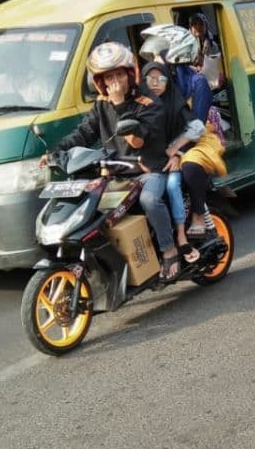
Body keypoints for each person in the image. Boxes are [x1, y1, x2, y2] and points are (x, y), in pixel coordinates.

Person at [47, 43, 184, 281]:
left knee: (149, 200)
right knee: (89, 208)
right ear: (100, 82)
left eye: (119, 75)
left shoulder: (148, 102)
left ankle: (169, 250)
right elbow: (84, 132)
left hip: (148, 171)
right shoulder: (102, 103)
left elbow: (137, 141)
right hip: (115, 174)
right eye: (109, 78)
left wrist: (120, 104)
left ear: (130, 74)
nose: (115, 82)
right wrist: (56, 151)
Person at [141, 60, 204, 260]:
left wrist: (176, 151)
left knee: (172, 185)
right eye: (150, 79)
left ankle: (181, 236)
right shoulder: (139, 105)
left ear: (168, 82)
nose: (155, 83)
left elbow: (197, 127)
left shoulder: (174, 101)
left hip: (174, 157)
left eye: (161, 78)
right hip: (151, 163)